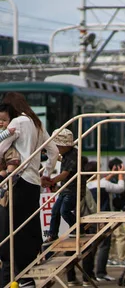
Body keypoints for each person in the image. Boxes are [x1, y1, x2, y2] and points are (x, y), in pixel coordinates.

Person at [0, 92, 59, 288]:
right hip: (34, 182)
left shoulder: (17, 122)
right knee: (30, 228)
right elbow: (54, 151)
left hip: (20, 181)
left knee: (14, 231)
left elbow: (1, 146)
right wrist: (47, 173)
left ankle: (21, 278)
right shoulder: (37, 123)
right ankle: (29, 275)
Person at [42, 129, 95, 286]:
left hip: (74, 189)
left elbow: (65, 173)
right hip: (65, 189)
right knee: (55, 211)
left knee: (65, 210)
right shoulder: (66, 154)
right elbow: (60, 160)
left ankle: (78, 228)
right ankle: (53, 233)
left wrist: (51, 180)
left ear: (63, 146)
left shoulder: (73, 155)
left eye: (57, 146)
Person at [85, 159, 125, 281]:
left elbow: (102, 182)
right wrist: (120, 174)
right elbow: (120, 188)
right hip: (103, 217)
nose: (101, 171)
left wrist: (112, 174)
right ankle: (101, 273)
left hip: (90, 219)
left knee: (91, 247)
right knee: (104, 245)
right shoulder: (102, 184)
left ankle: (88, 274)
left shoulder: (87, 184)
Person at [0, 104, 21, 207]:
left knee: (4, 171)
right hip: (4, 154)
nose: (1, 122)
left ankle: (6, 179)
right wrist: (8, 132)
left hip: (4, 159)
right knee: (13, 155)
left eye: (4, 120)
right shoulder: (4, 131)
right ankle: (11, 175)